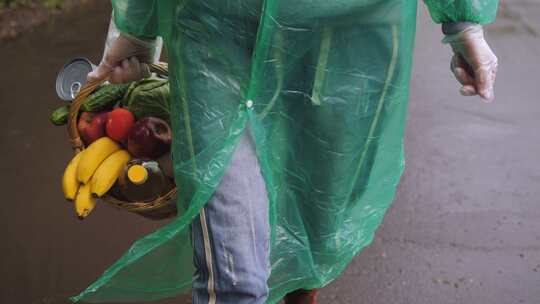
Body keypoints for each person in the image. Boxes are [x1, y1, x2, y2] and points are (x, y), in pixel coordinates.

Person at [76, 1, 498, 304]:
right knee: (234, 279)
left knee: (315, 234)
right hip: (215, 32)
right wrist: (136, 24)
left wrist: (464, 19)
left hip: (348, 40)